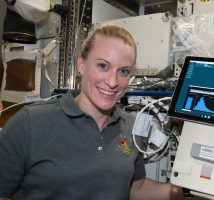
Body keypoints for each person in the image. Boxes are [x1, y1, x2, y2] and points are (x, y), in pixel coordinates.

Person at [0, 24, 184, 200]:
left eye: (124, 71)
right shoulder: (30, 122)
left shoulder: (130, 126)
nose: (113, 82)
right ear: (81, 64)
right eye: (103, 66)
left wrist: (190, 190)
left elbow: (136, 188)